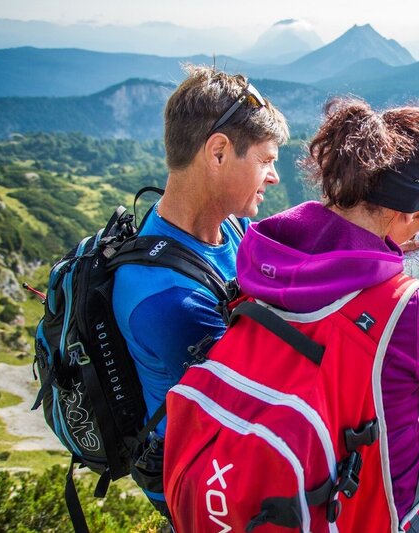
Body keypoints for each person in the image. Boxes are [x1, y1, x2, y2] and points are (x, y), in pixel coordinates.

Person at [234, 97, 419, 525]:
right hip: (378, 506)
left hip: (285, 474)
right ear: (409, 215)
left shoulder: (265, 252)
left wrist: (379, 250)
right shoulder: (413, 309)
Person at [111, 64, 289, 513]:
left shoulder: (220, 223)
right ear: (217, 153)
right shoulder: (170, 300)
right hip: (203, 487)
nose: (274, 177)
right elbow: (268, 390)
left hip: (221, 441)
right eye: (266, 160)